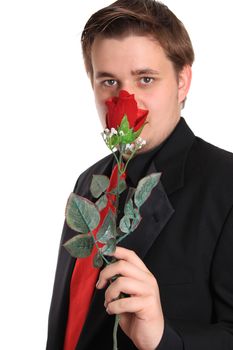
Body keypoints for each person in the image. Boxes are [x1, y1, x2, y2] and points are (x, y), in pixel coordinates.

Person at [46, 0, 233, 349]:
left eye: (146, 79)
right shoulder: (87, 184)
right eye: (108, 81)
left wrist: (163, 337)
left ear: (182, 81)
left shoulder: (226, 184)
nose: (125, 98)